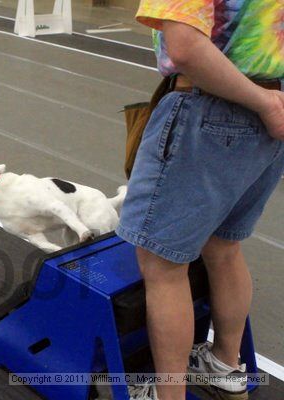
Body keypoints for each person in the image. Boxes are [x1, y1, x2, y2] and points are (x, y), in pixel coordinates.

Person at [116, 1, 284, 399]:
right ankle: (225, 365)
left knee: (162, 264)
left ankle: (167, 395)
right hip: (270, 120)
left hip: (215, 109)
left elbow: (186, 47)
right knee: (224, 245)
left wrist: (265, 103)